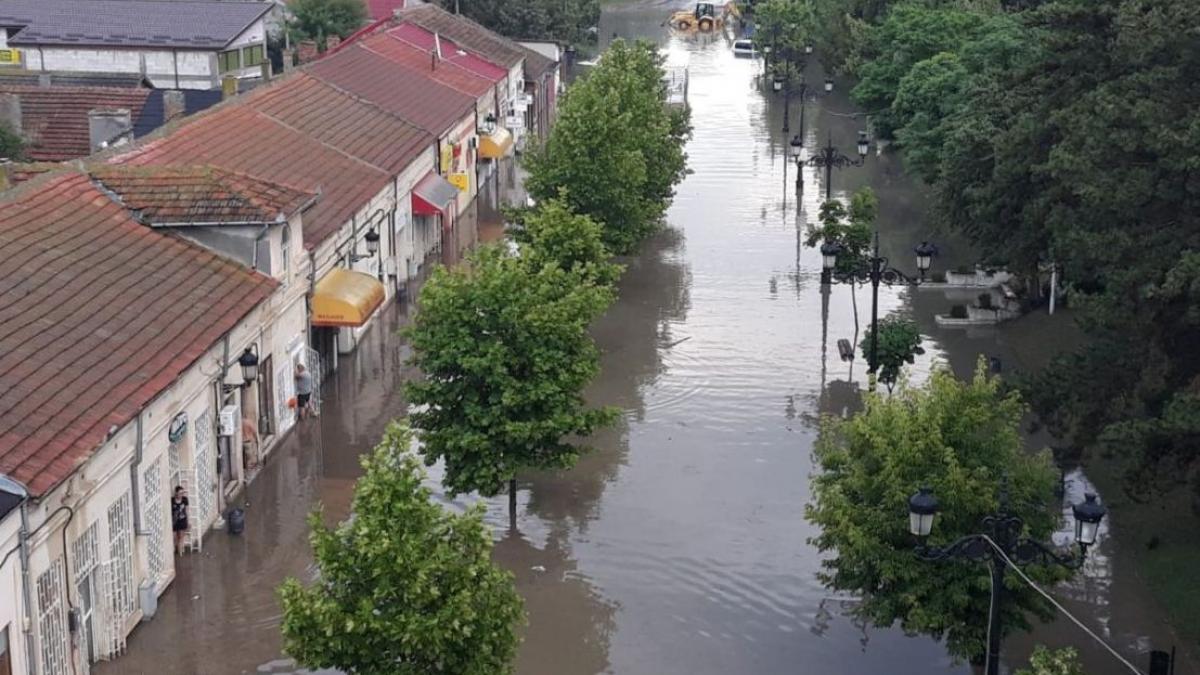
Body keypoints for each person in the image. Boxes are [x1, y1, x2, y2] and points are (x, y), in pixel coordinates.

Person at [171, 486, 189, 555]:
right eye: (180, 493)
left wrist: (188, 522)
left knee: (180, 537)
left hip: (182, 520)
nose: (181, 495)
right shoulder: (172, 500)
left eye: (182, 493)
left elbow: (187, 511)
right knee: (174, 537)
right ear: (176, 493)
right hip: (174, 521)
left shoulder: (184, 499)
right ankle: (176, 549)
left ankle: (180, 551)